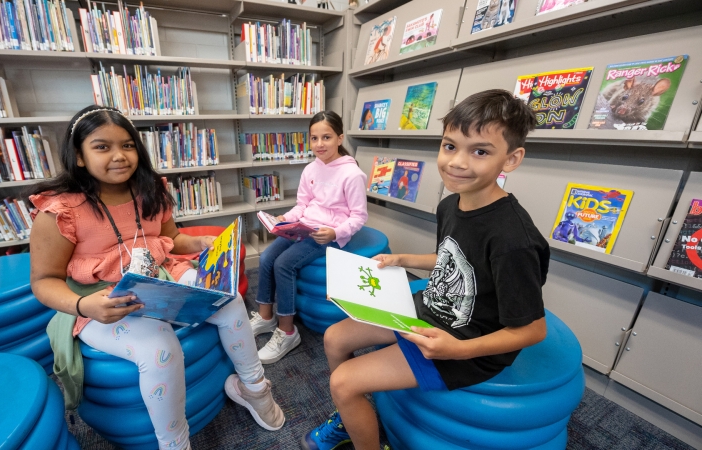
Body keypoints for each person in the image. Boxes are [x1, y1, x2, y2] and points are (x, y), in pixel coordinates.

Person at [302, 89, 549, 450]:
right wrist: (400, 259)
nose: (457, 162)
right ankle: (350, 415)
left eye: (479, 151)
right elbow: (453, 259)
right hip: (429, 314)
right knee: (334, 337)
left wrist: (457, 351)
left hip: (468, 343)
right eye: (450, 146)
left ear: (511, 159)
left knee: (343, 382)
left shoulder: (514, 240)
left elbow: (533, 330)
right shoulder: (452, 204)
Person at [28, 105, 284, 450]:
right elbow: (43, 281)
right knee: (159, 348)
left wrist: (198, 242)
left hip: (160, 279)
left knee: (228, 297)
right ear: (78, 156)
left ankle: (254, 388)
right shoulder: (60, 212)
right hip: (102, 301)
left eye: (128, 145)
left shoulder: (151, 189)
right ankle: (175, 444)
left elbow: (170, 238)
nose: (119, 156)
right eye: (102, 146)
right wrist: (84, 305)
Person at [250, 111, 368, 364]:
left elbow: (359, 216)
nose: (319, 144)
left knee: (284, 264)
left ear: (340, 138)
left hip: (328, 234)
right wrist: (286, 218)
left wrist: (336, 232)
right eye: (314, 138)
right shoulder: (311, 168)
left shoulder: (352, 174)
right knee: (267, 257)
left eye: (326, 137)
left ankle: (287, 331)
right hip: (303, 226)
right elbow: (302, 204)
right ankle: (265, 315)